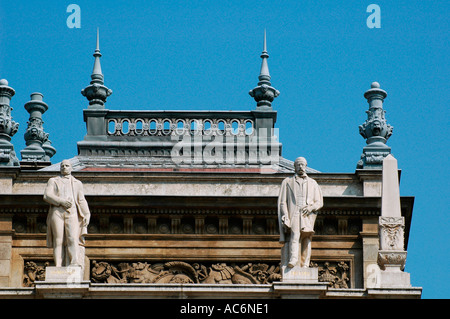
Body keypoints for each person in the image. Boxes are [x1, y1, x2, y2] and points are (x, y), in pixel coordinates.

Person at [278, 157, 323, 268]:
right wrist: (285, 216)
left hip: (307, 215)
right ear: (295, 167)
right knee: (294, 235)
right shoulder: (287, 182)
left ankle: (305, 263)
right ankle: (293, 259)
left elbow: (319, 202)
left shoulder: (313, 183)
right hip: (294, 213)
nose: (301, 167)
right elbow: (283, 202)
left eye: (302, 164)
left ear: (306, 166)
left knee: (306, 238)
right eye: (298, 165)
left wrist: (311, 208)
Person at [43, 160, 90, 267]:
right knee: (58, 239)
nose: (64, 167)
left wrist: (87, 214)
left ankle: (74, 262)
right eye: (62, 166)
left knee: (72, 238)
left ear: (71, 168)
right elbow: (47, 195)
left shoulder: (77, 183)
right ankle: (58, 265)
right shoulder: (53, 180)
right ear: (60, 168)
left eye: (67, 165)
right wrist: (61, 201)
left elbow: (81, 200)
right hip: (57, 212)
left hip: (72, 212)